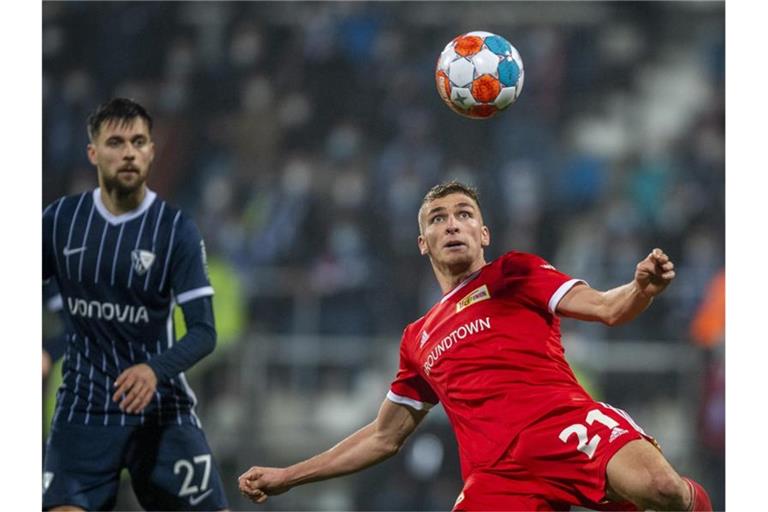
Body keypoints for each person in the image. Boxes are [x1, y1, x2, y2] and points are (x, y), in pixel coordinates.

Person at [238, 181, 712, 511]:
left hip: (562, 424)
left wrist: (642, 290)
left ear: (483, 234)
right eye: (438, 219)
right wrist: (289, 476)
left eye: (464, 215)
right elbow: (383, 437)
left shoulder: (514, 273)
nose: (452, 225)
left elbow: (608, 308)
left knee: (661, 489)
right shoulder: (417, 338)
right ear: (423, 242)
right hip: (497, 475)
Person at [42, 98, 228, 511]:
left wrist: (153, 369)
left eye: (139, 141)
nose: (128, 152)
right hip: (83, 410)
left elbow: (204, 332)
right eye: (116, 142)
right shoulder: (60, 221)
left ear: (151, 152)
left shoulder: (175, 229)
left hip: (160, 413)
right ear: (93, 152)